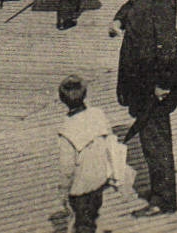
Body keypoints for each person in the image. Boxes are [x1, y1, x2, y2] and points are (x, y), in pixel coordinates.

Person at [112, 0, 177, 218]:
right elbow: (132, 4)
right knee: (149, 139)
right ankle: (160, 195)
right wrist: (119, 20)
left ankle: (163, 200)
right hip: (142, 79)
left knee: (156, 142)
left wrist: (164, 84)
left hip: (155, 81)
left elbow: (167, 44)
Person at [57, 75, 120, 233]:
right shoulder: (98, 114)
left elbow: (67, 168)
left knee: (83, 223)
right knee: (93, 213)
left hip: (80, 185)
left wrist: (64, 191)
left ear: (62, 99)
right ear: (85, 94)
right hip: (99, 177)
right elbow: (110, 141)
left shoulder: (66, 129)